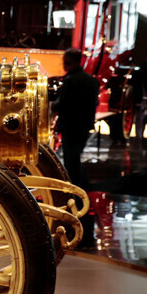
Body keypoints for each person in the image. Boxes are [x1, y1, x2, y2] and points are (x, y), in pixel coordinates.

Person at [51, 48, 98, 189]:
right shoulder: (92, 81)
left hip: (70, 125)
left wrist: (54, 107)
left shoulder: (69, 81)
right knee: (76, 156)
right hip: (84, 124)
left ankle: (74, 187)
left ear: (67, 62)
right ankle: (81, 185)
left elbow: (63, 104)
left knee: (71, 159)